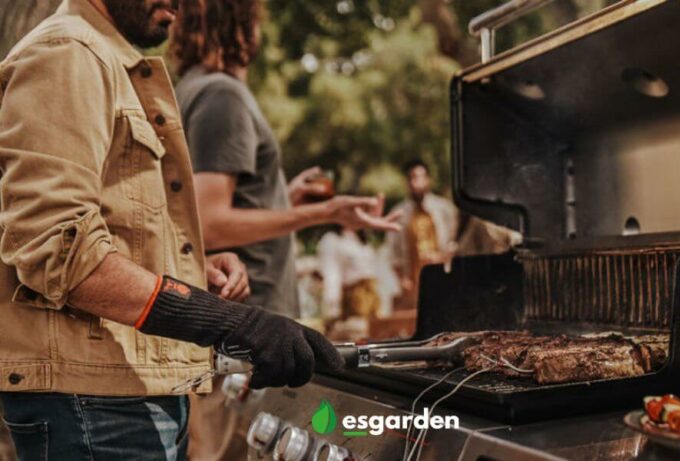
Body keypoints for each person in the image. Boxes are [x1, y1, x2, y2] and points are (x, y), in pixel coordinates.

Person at [0, 1, 342, 460]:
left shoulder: (105, 60)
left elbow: (111, 232)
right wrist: (233, 323)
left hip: (128, 392)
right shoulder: (67, 53)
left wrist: (193, 269)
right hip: (92, 405)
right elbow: (58, 251)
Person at [169, 1, 400, 458]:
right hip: (244, 334)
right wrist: (326, 211)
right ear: (238, 24)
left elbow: (209, 203)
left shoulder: (189, 89)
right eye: (255, 21)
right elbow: (208, 223)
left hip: (228, 336)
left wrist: (280, 201)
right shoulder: (222, 95)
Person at [386, 160, 459, 310]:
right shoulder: (399, 213)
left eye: (419, 177)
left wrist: (441, 256)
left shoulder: (443, 209)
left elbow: (456, 243)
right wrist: (402, 279)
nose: (415, 183)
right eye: (412, 178)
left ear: (428, 179)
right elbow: (393, 253)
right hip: (413, 284)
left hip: (442, 277)